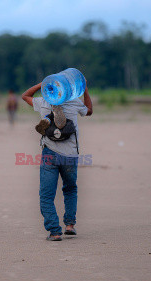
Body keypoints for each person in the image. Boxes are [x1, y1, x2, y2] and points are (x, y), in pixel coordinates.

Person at [21, 82, 93, 241]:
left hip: (50, 155)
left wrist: (42, 84)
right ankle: (69, 225)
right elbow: (89, 111)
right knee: (70, 189)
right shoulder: (74, 101)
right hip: (70, 155)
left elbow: (25, 96)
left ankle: (54, 231)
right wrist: (85, 90)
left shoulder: (43, 102)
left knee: (46, 195)